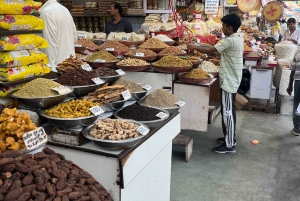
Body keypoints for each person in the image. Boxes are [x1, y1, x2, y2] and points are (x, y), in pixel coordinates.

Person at [187, 13, 243, 154]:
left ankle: (229, 145)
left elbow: (210, 50)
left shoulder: (230, 41)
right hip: (232, 79)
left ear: (229, 28)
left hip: (229, 81)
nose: (222, 28)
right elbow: (213, 48)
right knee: (228, 111)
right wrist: (200, 44)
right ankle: (230, 138)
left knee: (228, 113)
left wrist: (193, 46)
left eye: (223, 26)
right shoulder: (236, 38)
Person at [39, 0, 76, 72]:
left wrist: (50, 68)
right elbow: (74, 37)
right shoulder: (64, 9)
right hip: (70, 64)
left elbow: (50, 42)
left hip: (57, 67)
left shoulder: (46, 12)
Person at [287, 49, 300, 136]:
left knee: (296, 104)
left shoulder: (298, 51)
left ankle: (297, 128)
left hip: (298, 81)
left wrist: (290, 85)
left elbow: (292, 70)